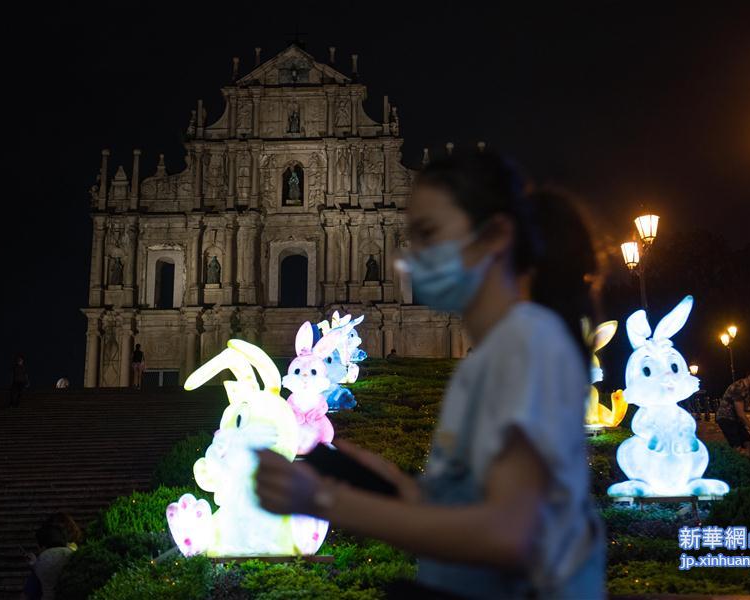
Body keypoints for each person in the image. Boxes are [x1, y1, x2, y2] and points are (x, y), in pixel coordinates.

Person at [256, 152, 604, 598]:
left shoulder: (527, 343)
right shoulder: (488, 359)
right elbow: (463, 509)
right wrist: (375, 479)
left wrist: (324, 501)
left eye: (429, 234)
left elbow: (508, 532)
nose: (412, 254)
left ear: (495, 235)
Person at [22, 519, 76, 600]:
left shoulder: (42, 559)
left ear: (43, 546)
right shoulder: (72, 553)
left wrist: (35, 565)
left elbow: (28, 594)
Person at [715, 366, 750, 455]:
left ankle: (747, 464)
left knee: (748, 443)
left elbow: (742, 407)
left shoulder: (745, 388)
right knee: (737, 448)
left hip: (735, 419)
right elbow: (741, 414)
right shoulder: (739, 388)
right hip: (726, 418)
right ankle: (738, 465)